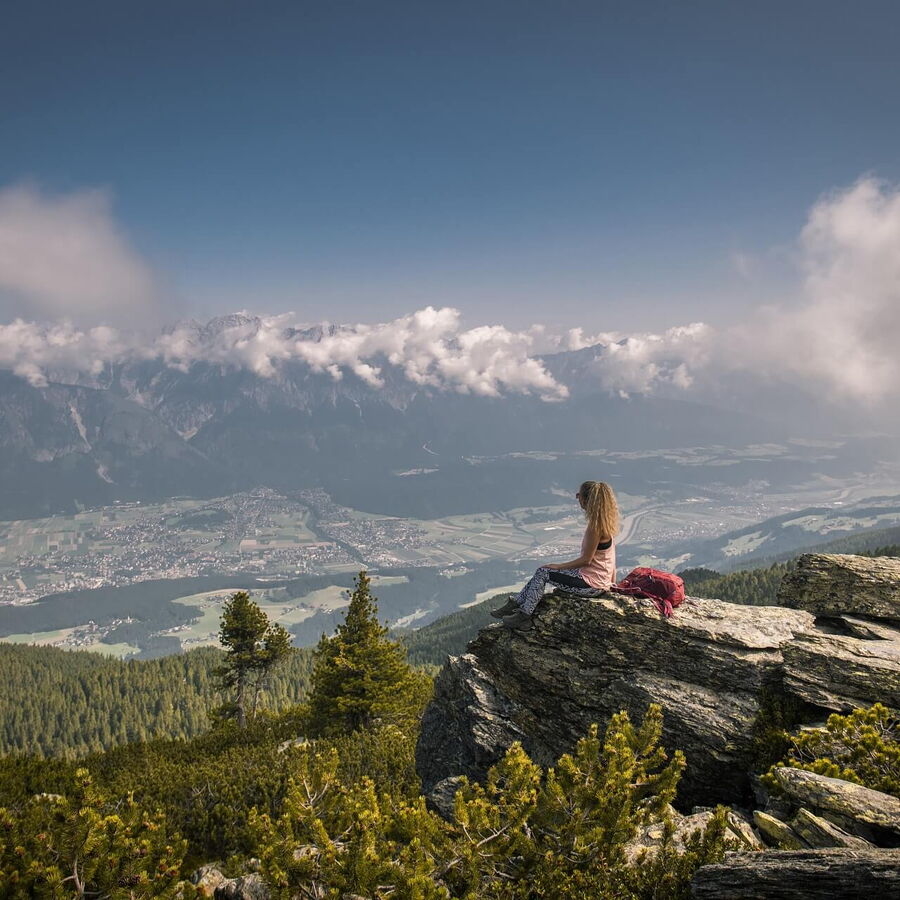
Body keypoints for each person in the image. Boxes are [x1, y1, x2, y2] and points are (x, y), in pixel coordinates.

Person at [492, 480, 619, 630]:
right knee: (543, 571)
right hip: (597, 582)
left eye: (579, 495)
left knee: (543, 572)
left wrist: (558, 566)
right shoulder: (604, 523)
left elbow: (586, 560)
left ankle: (524, 616)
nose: (577, 497)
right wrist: (611, 585)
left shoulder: (595, 528)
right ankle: (516, 603)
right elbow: (611, 560)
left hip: (591, 585)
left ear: (586, 499)